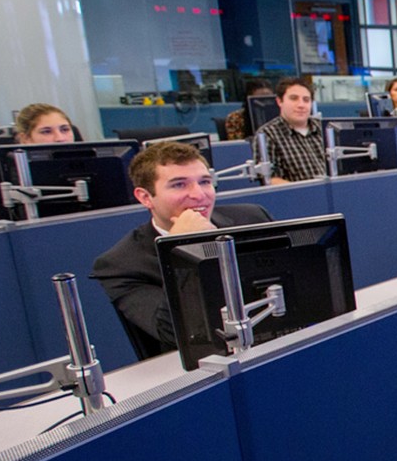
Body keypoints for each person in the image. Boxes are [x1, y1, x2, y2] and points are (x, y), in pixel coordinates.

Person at [91, 141, 273, 357]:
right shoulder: (121, 264)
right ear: (145, 197)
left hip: (271, 346)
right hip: (203, 369)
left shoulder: (251, 218)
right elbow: (170, 332)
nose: (199, 195)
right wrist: (180, 250)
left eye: (205, 182)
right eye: (179, 185)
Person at [253, 78, 327, 185]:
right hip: (298, 198)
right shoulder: (267, 134)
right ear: (279, 101)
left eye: (306, 100)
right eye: (294, 98)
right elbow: (270, 179)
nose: (301, 105)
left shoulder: (326, 128)